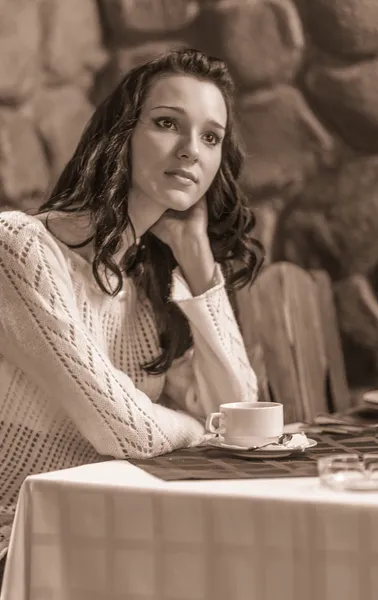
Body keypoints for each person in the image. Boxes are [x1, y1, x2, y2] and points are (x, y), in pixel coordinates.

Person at [0, 47, 264, 577]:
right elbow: (126, 433)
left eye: (211, 137)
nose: (191, 150)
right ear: (120, 133)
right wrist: (198, 429)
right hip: (19, 546)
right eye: (168, 123)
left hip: (112, 535)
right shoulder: (20, 247)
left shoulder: (146, 283)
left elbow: (243, 419)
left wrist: (197, 258)